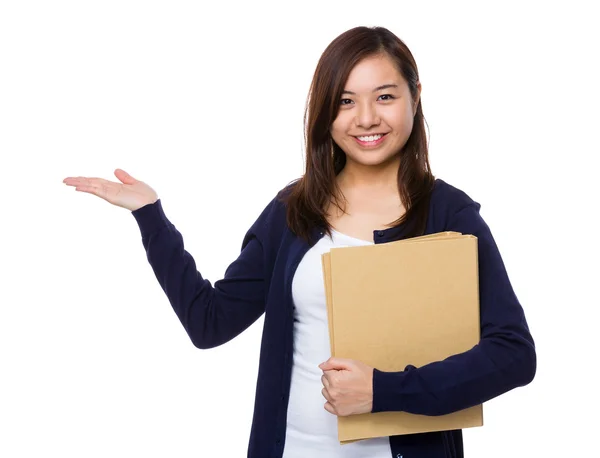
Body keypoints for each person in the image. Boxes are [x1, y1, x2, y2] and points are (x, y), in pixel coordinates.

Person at [63, 26, 536, 458]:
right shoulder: (295, 210)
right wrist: (151, 216)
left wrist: (385, 392)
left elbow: (513, 354)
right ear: (325, 110)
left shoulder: (449, 215)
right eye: (346, 101)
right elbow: (209, 323)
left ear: (415, 96)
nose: (366, 118)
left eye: (385, 96)